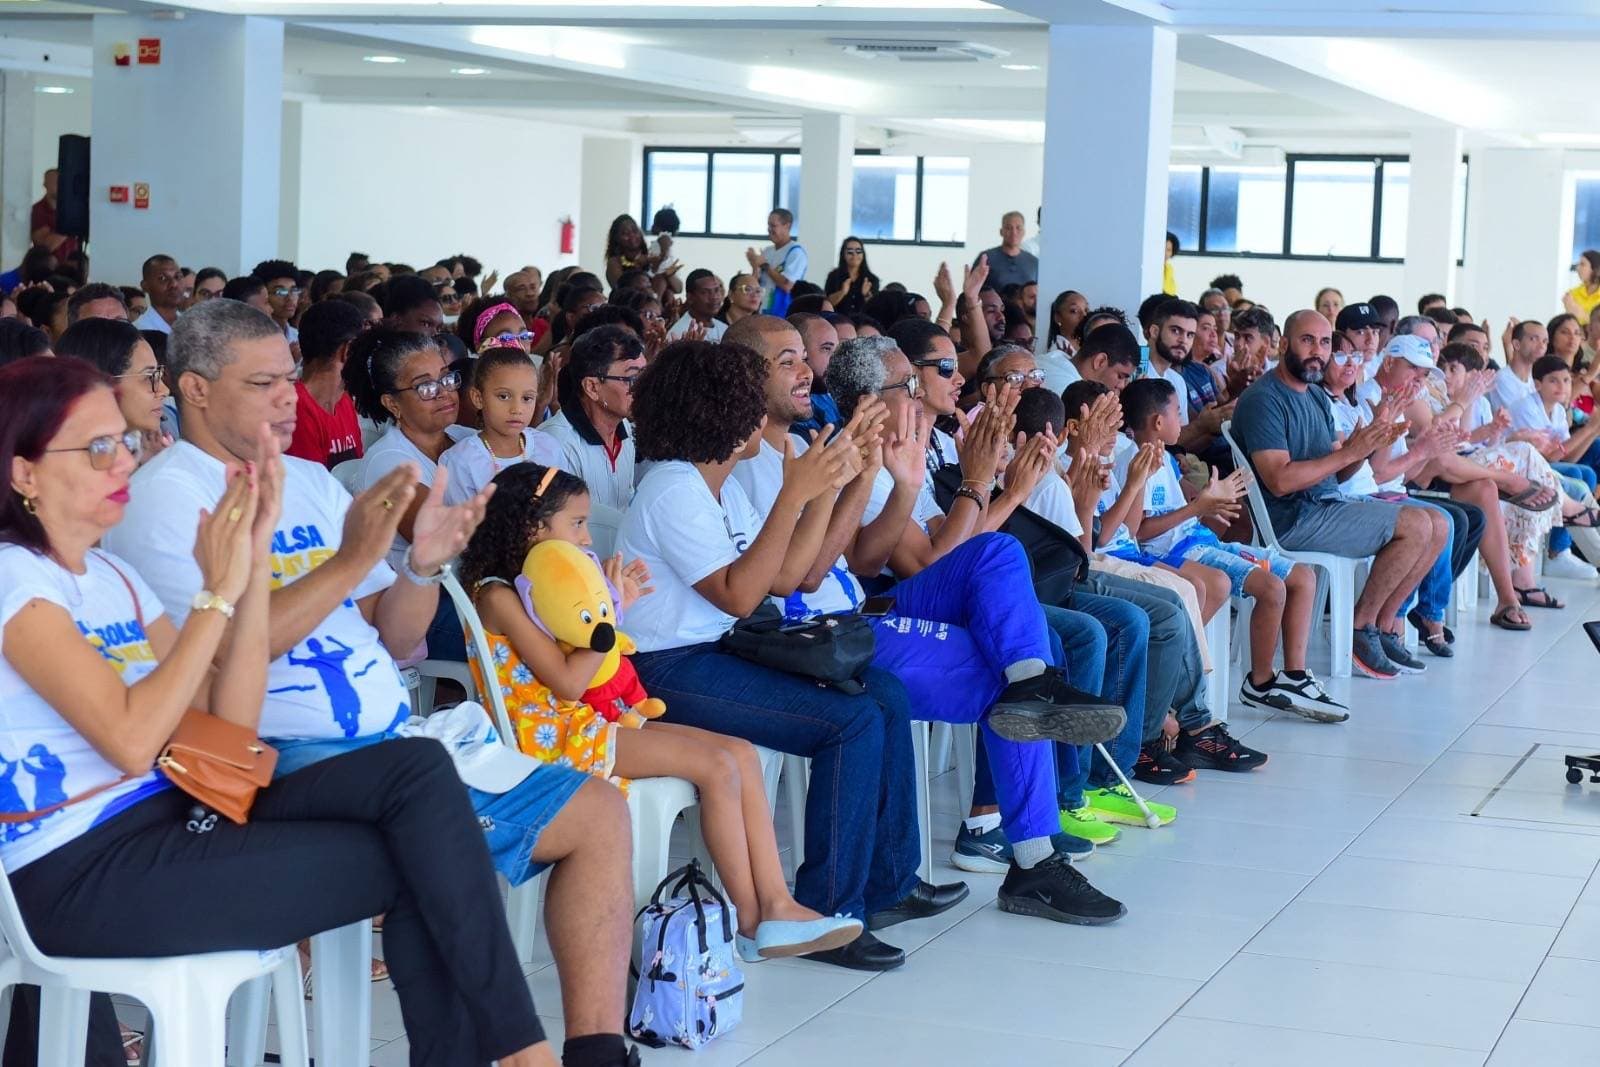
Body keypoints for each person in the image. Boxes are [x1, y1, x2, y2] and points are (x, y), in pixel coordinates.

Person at [98, 304, 641, 1067]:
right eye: (263, 383)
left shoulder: (313, 484)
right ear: (193, 387)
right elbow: (216, 655)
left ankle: (595, 1053)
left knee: (598, 811)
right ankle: (522, 1052)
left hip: (387, 743)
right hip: (276, 755)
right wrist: (351, 562)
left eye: (290, 378)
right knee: (427, 824)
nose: (291, 397)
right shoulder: (168, 495)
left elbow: (389, 634)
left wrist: (419, 566)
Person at [725, 315, 1129, 923]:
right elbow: (839, 569)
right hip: (825, 629)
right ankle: (1034, 860)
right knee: (1015, 684)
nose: (809, 370)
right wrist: (938, 483)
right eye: (788, 361)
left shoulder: (814, 448)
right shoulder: (752, 465)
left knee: (1001, 562)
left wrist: (930, 482)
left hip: (861, 607)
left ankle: (1031, 692)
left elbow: (874, 556)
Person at [617, 338, 966, 974]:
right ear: (719, 414)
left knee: (882, 693)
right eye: (750, 406)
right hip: (664, 668)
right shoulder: (673, 488)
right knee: (849, 721)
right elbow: (744, 591)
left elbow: (792, 578)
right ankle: (825, 908)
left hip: (719, 646)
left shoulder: (715, 486)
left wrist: (831, 485)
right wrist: (793, 494)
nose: (763, 420)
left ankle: (884, 888)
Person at [459, 463, 863, 963]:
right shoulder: (497, 594)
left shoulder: (539, 584)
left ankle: (777, 903)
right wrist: (609, 612)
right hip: (552, 739)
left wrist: (608, 605)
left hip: (588, 722)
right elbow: (567, 681)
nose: (587, 539)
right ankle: (752, 920)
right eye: (577, 523)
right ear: (532, 528)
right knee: (715, 766)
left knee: (738, 753)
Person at [1230, 309, 1448, 680]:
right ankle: (1360, 628)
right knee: (1416, 524)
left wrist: (1368, 442)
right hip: (1293, 520)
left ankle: (1380, 624)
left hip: (1327, 505)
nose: (1318, 351)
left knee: (1437, 523)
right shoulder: (1263, 399)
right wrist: (1349, 452)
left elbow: (1340, 469)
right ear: (1284, 344)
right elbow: (1279, 481)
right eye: (1307, 340)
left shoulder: (1315, 397)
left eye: (1326, 342)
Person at [1120, 377, 1344, 719]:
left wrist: (1212, 500)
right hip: (1176, 555)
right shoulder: (1134, 461)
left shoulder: (1163, 457)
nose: (1184, 420)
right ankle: (1260, 682)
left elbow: (1187, 510)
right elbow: (1141, 533)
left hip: (1199, 541)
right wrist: (1199, 508)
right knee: (1271, 587)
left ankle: (1295, 677)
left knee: (1301, 576)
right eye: (1178, 412)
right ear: (1158, 422)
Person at [344, 326, 473, 660]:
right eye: (425, 387)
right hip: (419, 610)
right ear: (392, 403)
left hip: (469, 590)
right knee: (532, 636)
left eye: (446, 378)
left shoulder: (463, 438)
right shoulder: (390, 464)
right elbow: (443, 543)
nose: (445, 392)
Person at [528, 325, 643, 560]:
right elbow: (552, 533)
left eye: (645, 376)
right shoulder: (554, 443)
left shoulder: (625, 432)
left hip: (618, 562)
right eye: (631, 378)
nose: (643, 388)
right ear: (592, 387)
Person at [439, 348, 564, 507]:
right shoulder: (461, 462)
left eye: (527, 398)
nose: (517, 409)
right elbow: (463, 528)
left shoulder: (548, 447)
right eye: (503, 396)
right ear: (478, 398)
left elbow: (563, 508)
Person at [287, 299, 367, 469]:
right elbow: (311, 490)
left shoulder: (344, 401)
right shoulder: (295, 410)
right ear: (348, 350)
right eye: (364, 349)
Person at [745, 208, 807, 316]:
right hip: (763, 309)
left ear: (787, 226)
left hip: (784, 312)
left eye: (773, 226)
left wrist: (765, 265)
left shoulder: (796, 252)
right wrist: (755, 265)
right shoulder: (767, 251)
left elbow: (787, 285)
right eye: (768, 225)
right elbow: (756, 283)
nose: (769, 230)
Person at [973, 211, 1038, 292]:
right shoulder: (986, 258)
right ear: (1001, 231)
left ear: (1024, 232)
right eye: (1008, 228)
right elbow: (973, 290)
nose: (1014, 232)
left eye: (1018, 228)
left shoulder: (1034, 262)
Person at [28, 169, 78, 259]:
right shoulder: (38, 210)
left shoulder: (70, 209)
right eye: (55, 182)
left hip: (70, 268)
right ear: (45, 184)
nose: (60, 186)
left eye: (62, 182)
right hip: (48, 269)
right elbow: (45, 248)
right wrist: (70, 224)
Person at [666, 269, 727, 342]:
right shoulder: (679, 334)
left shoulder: (725, 328)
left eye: (716, 290)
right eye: (705, 292)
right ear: (690, 298)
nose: (714, 297)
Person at [252, 259, 302, 345]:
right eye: (280, 292)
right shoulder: (253, 337)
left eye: (293, 290)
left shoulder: (298, 337)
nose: (290, 298)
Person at [823, 237, 877, 316]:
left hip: (862, 323)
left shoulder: (871, 279)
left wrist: (866, 295)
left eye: (858, 251)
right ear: (843, 254)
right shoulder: (833, 276)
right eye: (850, 251)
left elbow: (875, 308)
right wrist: (842, 292)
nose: (854, 255)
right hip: (838, 322)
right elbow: (827, 304)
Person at [132, 254, 183, 334]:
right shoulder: (140, 330)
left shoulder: (190, 324)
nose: (174, 284)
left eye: (177, 277)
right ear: (145, 286)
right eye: (163, 278)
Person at [1565, 250, 1600, 322]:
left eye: (1582, 264)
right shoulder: (1572, 293)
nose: (1578, 268)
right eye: (1578, 264)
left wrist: (1582, 315)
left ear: (1595, 269)